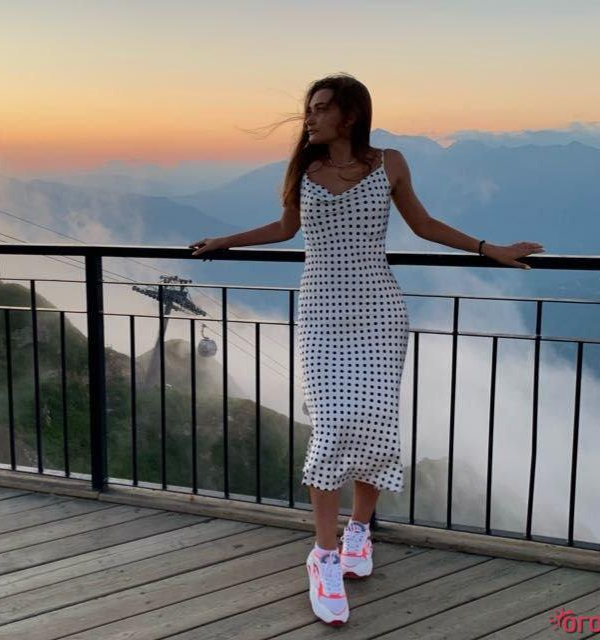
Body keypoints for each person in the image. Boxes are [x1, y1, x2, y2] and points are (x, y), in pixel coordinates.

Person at [189, 72, 545, 626]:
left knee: (376, 423)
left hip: (379, 312)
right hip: (321, 314)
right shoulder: (304, 169)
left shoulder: (390, 163)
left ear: (350, 114)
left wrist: (488, 248)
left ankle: (359, 531)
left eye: (320, 107)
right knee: (333, 427)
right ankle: (324, 555)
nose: (309, 116)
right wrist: (225, 241)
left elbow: (423, 225)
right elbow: (285, 228)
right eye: (309, 108)